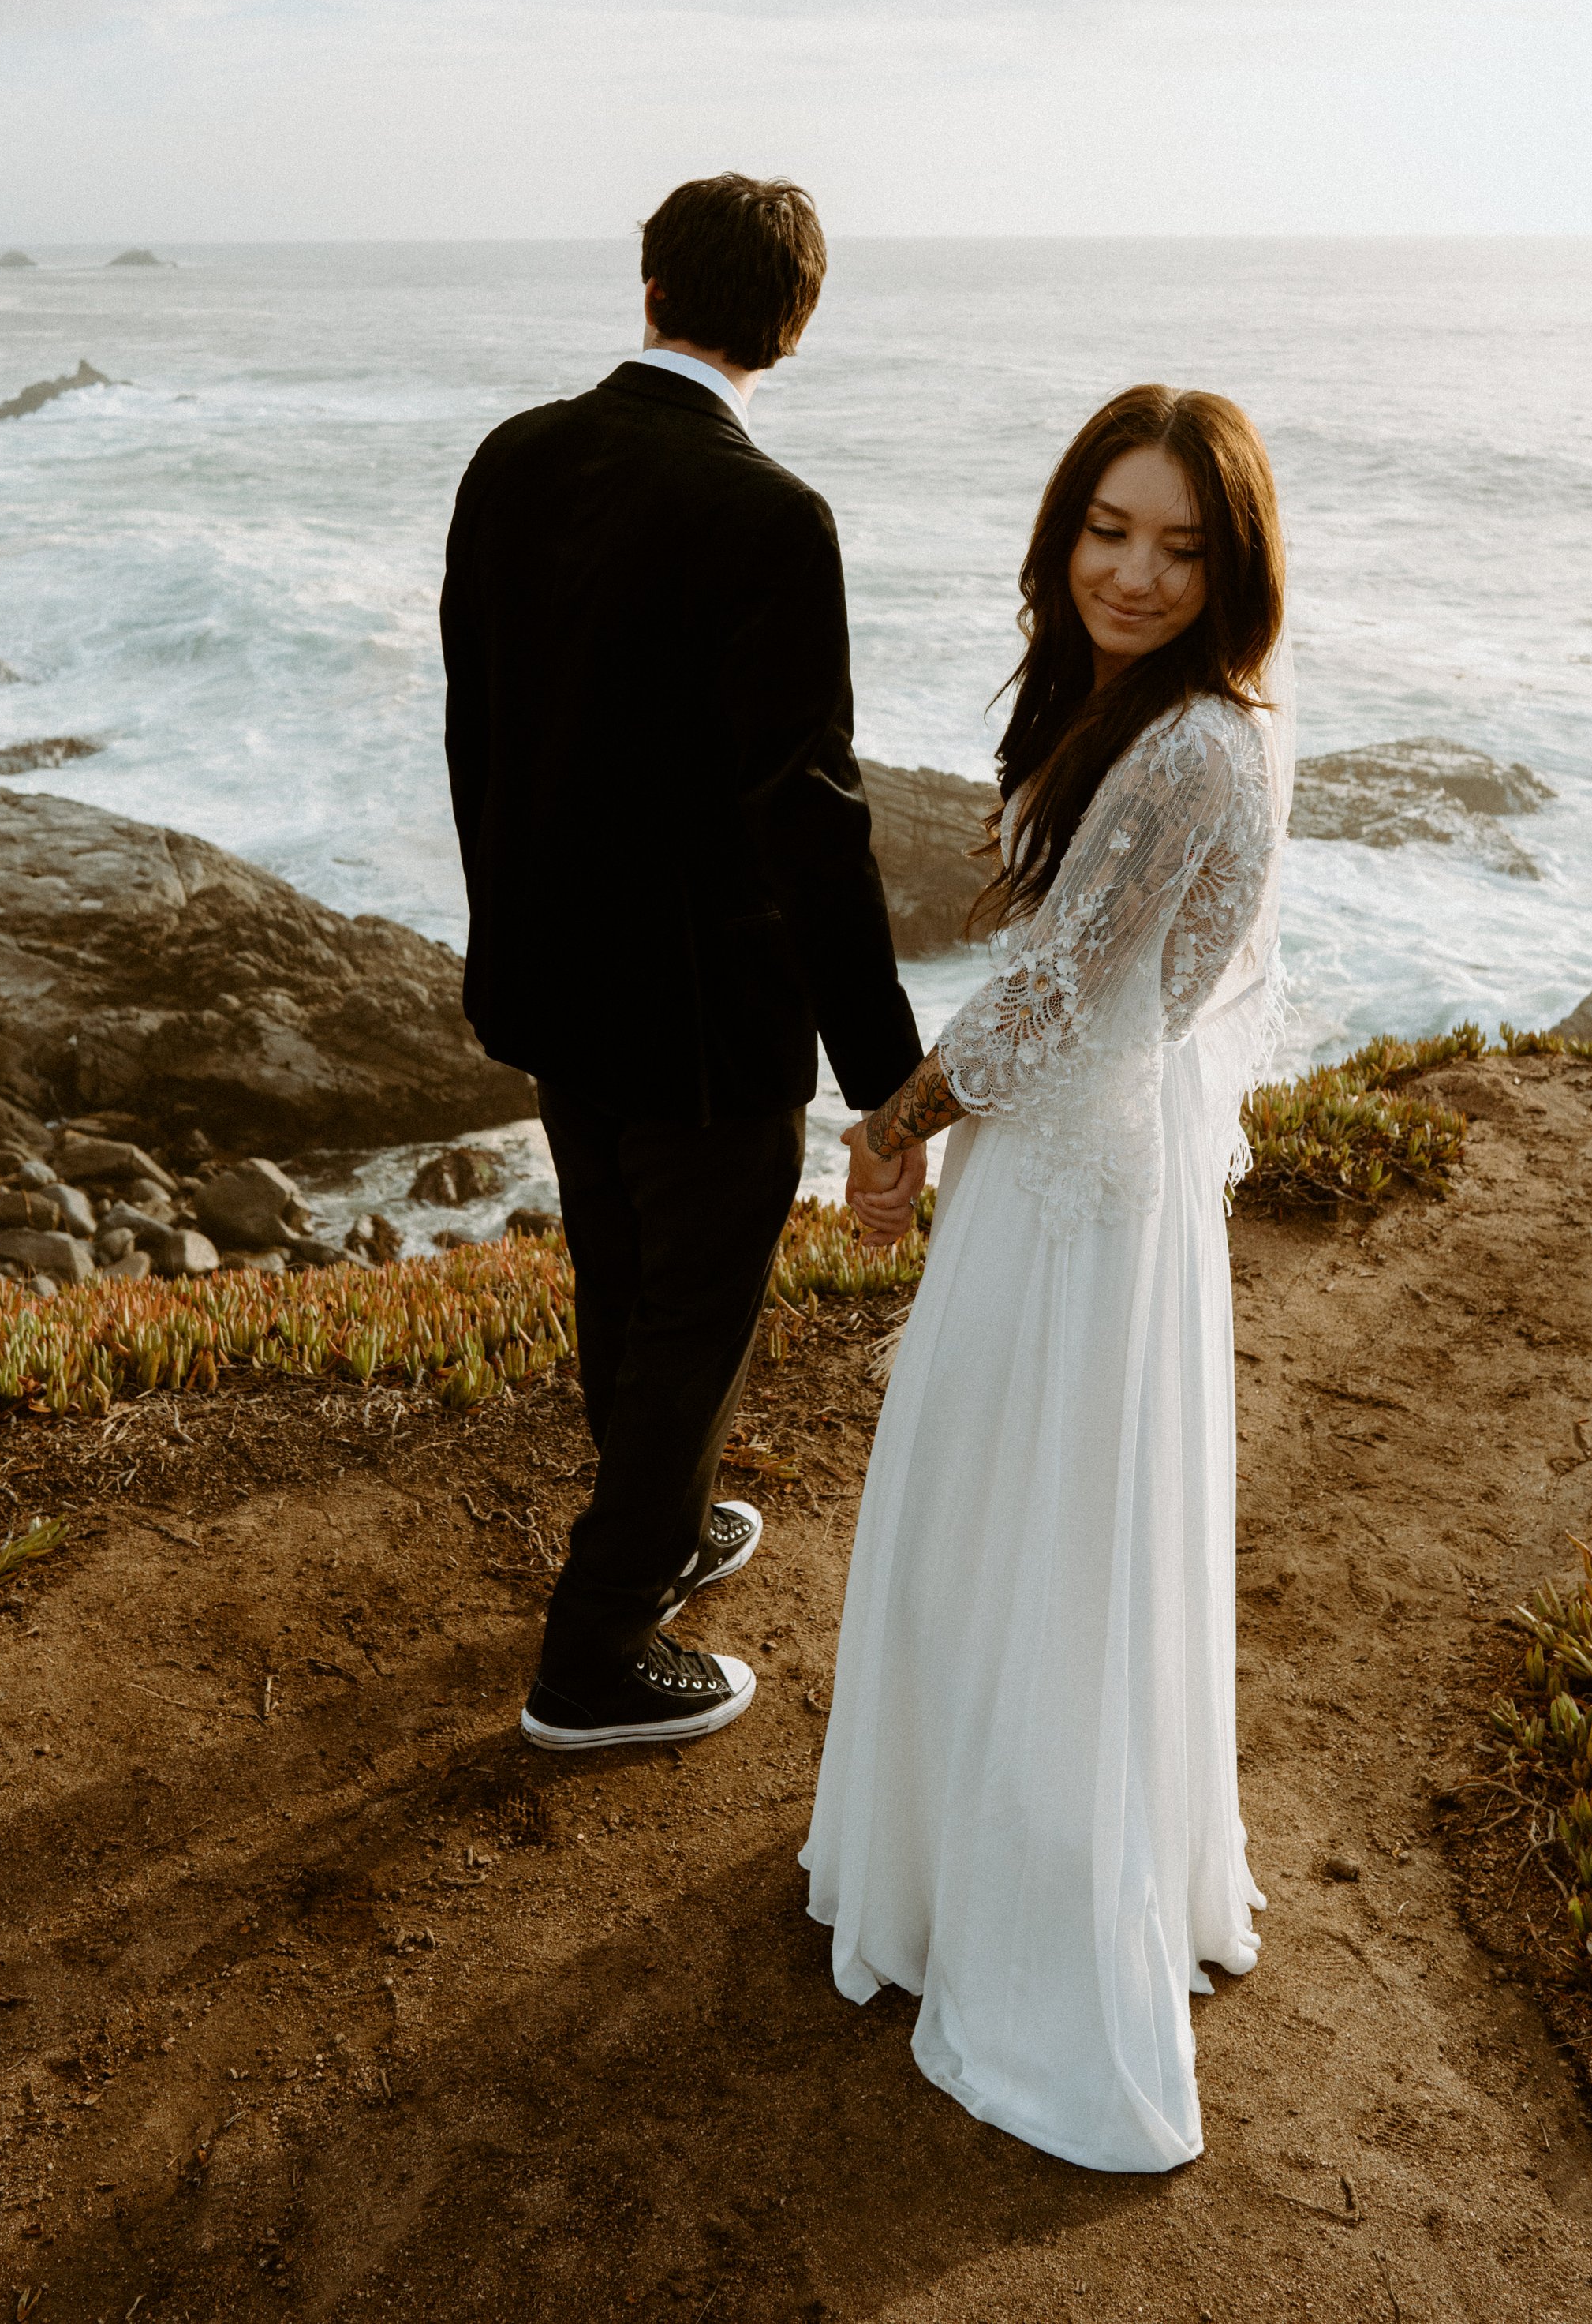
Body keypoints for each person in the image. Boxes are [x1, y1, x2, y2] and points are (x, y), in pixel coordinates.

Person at [805, 383, 1292, 2171]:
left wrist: (891, 1125)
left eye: (1178, 545)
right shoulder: (1161, 721)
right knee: (1027, 1531)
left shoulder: (1180, 749)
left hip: (1073, 1192)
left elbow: (1048, 1000)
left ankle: (1027, 1932)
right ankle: (983, 1866)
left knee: (1028, 1540)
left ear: (1229, 563)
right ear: (1063, 527)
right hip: (1099, 1169)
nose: (1135, 574)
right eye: (1108, 530)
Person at [441, 173, 927, 1753]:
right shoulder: (768, 517)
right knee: (693, 1316)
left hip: (553, 978)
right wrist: (883, 1072)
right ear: (791, 323)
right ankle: (592, 1653)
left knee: (621, 1282)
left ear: (648, 286)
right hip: (707, 1010)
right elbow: (811, 807)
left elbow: (477, 725)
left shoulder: (510, 459)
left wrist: (502, 918)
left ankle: (672, 1517)